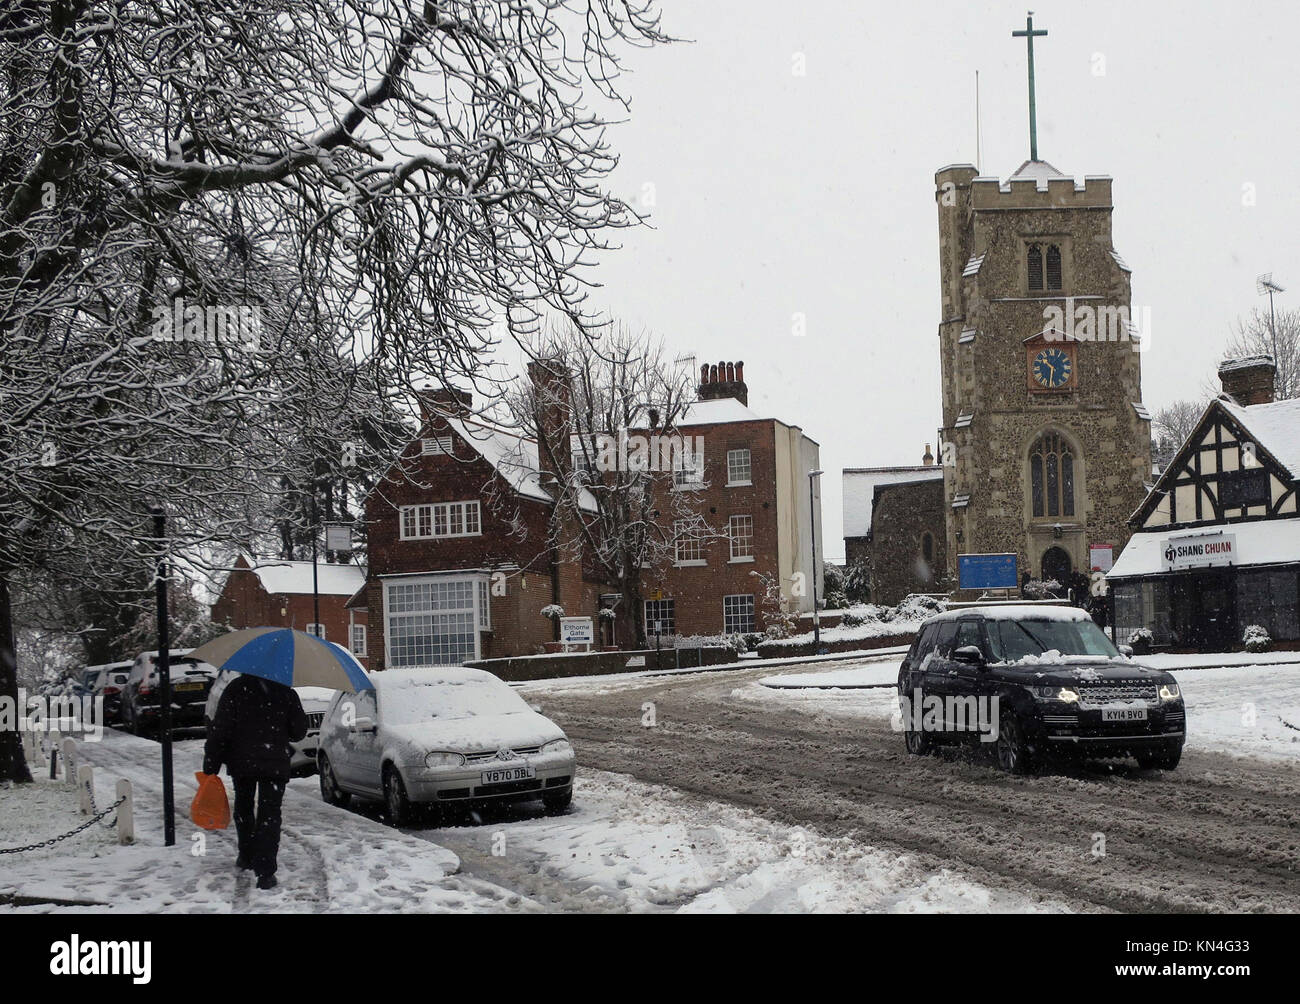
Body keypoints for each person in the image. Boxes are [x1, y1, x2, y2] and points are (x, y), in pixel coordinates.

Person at [203, 674, 307, 890]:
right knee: (270, 813)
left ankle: (246, 853)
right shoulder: (285, 691)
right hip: (274, 763)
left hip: (243, 761)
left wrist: (211, 763)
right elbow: (298, 732)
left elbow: (221, 729)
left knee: (244, 806)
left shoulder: (236, 688)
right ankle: (266, 871)